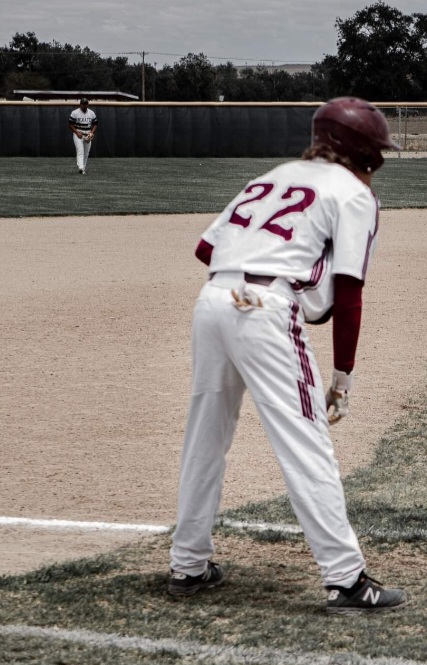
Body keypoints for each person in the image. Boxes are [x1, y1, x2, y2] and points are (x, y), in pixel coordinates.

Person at [168, 96, 408, 615]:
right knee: (307, 440)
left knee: (205, 436)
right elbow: (347, 294)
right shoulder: (354, 194)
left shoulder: (275, 174)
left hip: (213, 300)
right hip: (265, 309)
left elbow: (206, 250)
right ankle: (345, 580)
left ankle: (188, 564)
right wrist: (343, 375)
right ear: (364, 151)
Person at [68, 98, 98, 175]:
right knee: (80, 151)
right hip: (78, 134)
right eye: (83, 104)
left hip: (87, 134)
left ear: (88, 104)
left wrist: (91, 133)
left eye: (86, 104)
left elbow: (95, 124)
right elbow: (70, 124)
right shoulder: (75, 112)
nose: (85, 105)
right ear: (80, 104)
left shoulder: (91, 113)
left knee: (86, 153)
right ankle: (80, 167)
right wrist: (76, 132)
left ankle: (83, 168)